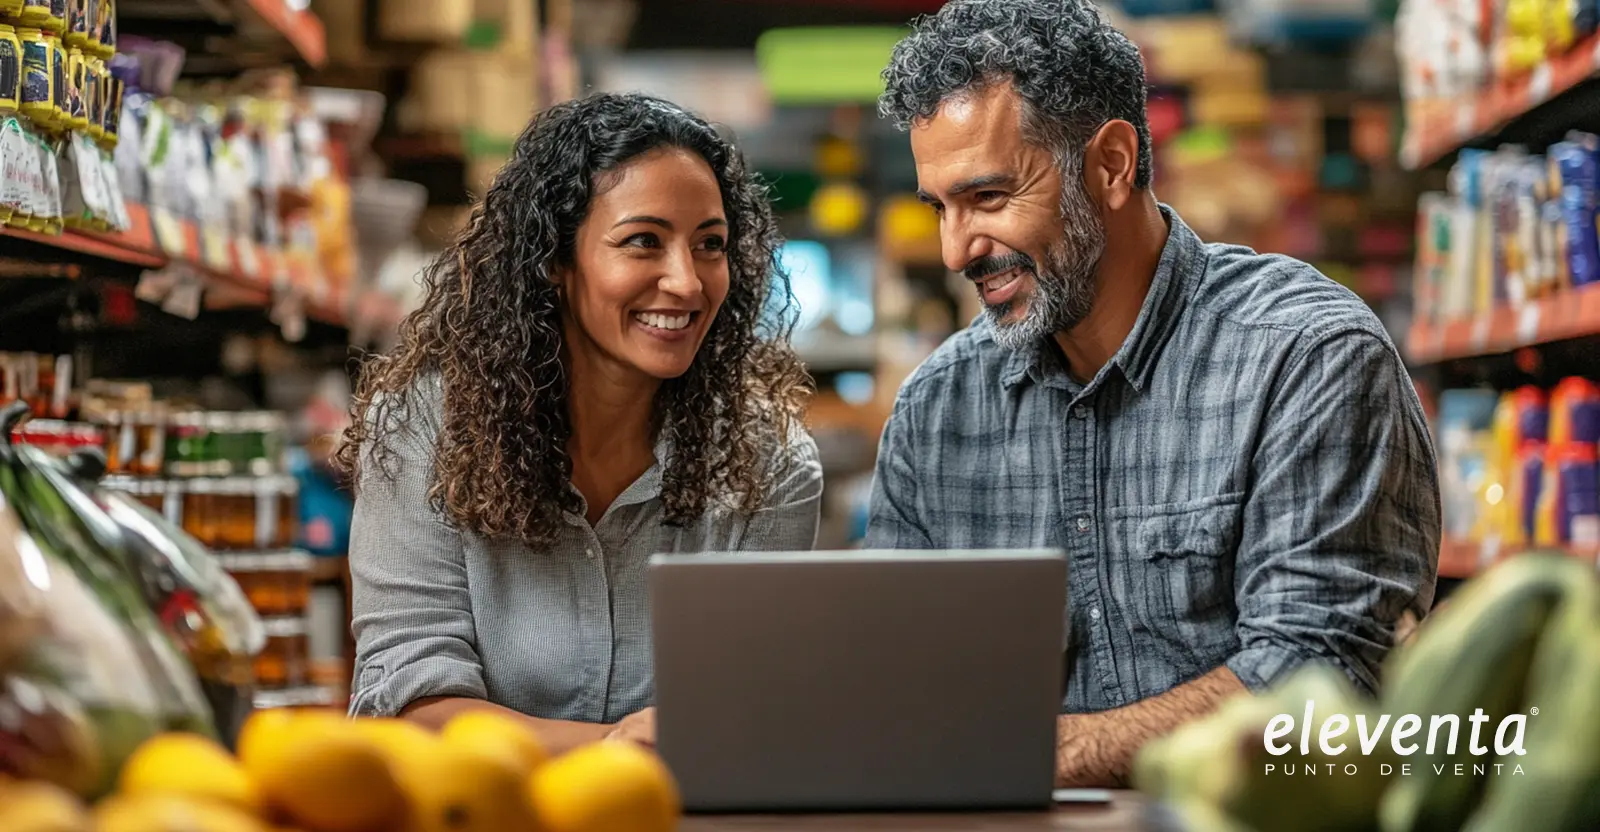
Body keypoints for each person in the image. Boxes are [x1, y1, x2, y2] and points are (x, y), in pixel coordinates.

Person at [868, 0, 1440, 787]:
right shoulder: (938, 411)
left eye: (990, 198)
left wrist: (1054, 752)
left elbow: (1326, 670)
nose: (956, 248)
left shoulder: (1305, 357)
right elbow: (897, 680)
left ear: (1110, 165)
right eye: (941, 208)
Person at [338, 92, 824, 753]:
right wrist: (616, 750)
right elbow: (409, 696)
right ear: (553, 260)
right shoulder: (426, 427)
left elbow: (761, 707)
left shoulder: (769, 460)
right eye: (642, 242)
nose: (687, 281)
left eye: (710, 244)